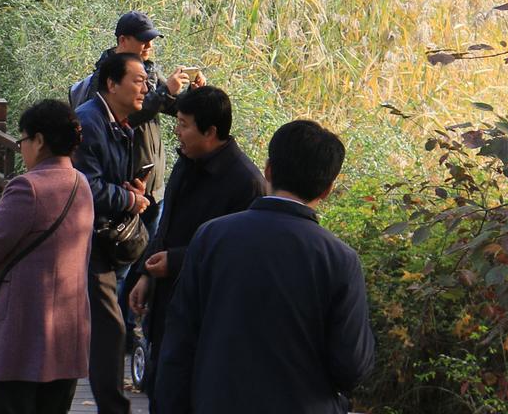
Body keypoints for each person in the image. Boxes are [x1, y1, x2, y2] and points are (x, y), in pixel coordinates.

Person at [155, 119, 376, 414]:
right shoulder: (339, 260)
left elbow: (179, 344)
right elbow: (351, 367)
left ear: (268, 169)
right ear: (327, 189)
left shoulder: (212, 237)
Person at [0, 99, 95, 414]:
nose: (22, 149)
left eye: (23, 141)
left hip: (25, 334)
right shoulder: (80, 183)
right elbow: (44, 235)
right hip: (67, 333)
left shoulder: (27, 187)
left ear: (39, 140)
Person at [127, 85, 265, 410]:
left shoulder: (246, 183)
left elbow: (238, 254)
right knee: (161, 393)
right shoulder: (187, 161)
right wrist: (146, 273)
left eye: (184, 125)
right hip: (166, 306)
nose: (177, 132)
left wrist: (175, 262)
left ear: (211, 131)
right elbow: (166, 225)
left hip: (206, 319)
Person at [74, 51, 152, 414]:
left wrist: (132, 188)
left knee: (101, 324)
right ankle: (114, 407)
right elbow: (85, 186)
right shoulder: (89, 122)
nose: (145, 88)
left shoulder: (120, 123)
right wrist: (130, 199)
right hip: (85, 240)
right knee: (109, 326)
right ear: (111, 83)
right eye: (138, 81)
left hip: (102, 239)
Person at [69, 11, 201, 202]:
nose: (149, 46)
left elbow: (172, 107)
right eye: (144, 40)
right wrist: (165, 92)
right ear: (123, 40)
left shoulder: (149, 70)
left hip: (151, 186)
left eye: (151, 40)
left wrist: (192, 93)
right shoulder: (107, 76)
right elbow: (118, 121)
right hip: (122, 189)